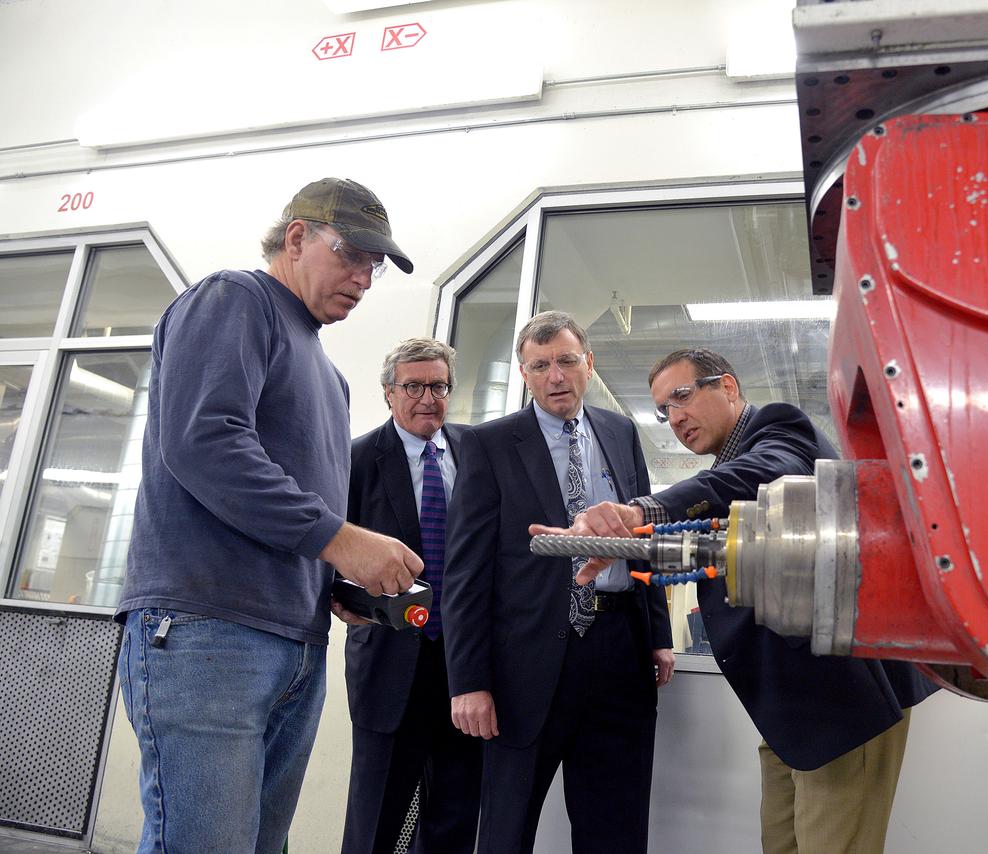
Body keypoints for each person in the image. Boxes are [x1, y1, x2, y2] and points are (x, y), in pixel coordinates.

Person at [115, 178, 424, 854]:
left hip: (294, 641)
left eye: (375, 266)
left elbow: (292, 507)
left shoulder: (330, 376)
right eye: (352, 255)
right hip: (206, 630)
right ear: (296, 237)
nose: (364, 278)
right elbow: (205, 442)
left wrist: (334, 582)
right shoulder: (235, 299)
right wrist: (340, 540)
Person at [543, 348, 937, 854]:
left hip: (843, 702)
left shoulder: (777, 432)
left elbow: (756, 476)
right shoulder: (728, 477)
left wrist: (644, 508)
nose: (675, 417)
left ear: (728, 387)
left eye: (682, 396)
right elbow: (718, 550)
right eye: (664, 410)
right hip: (789, 712)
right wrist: (621, 547)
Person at [442, 310, 675, 854]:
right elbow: (466, 572)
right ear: (523, 374)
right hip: (524, 664)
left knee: (615, 822)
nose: (556, 376)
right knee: (507, 826)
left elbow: (643, 537)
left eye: (567, 361)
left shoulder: (619, 432)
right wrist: (467, 681)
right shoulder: (489, 445)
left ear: (588, 364)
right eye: (541, 365)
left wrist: (658, 632)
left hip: (619, 649)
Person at [341, 338, 482, 854]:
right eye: (414, 386)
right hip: (389, 663)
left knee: (454, 818)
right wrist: (347, 602)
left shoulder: (476, 453)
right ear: (388, 393)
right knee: (375, 821)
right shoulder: (356, 458)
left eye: (439, 385)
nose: (428, 397)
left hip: (465, 670)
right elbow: (330, 550)